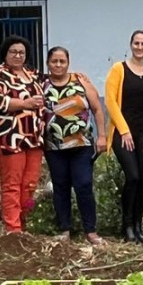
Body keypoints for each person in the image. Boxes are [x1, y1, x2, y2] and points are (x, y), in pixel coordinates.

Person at [43, 46, 108, 245]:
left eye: (62, 61)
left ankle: (91, 231)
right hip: (54, 147)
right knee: (60, 187)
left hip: (82, 145)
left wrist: (102, 136)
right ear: (48, 63)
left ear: (68, 63)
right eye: (54, 61)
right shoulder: (41, 85)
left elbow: (97, 110)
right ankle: (64, 229)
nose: (58, 65)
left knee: (84, 185)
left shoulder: (81, 81)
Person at [0, 34, 47, 236]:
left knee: (30, 184)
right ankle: (13, 229)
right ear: (5, 54)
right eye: (13, 52)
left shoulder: (33, 74)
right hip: (9, 137)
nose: (17, 55)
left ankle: (24, 222)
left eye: (21, 52)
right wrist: (24, 104)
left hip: (34, 137)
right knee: (12, 184)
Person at [104, 30, 143, 243]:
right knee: (133, 176)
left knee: (142, 180)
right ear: (131, 45)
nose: (139, 47)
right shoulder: (118, 69)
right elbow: (111, 101)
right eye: (136, 43)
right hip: (123, 133)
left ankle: (138, 225)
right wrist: (124, 130)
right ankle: (126, 225)